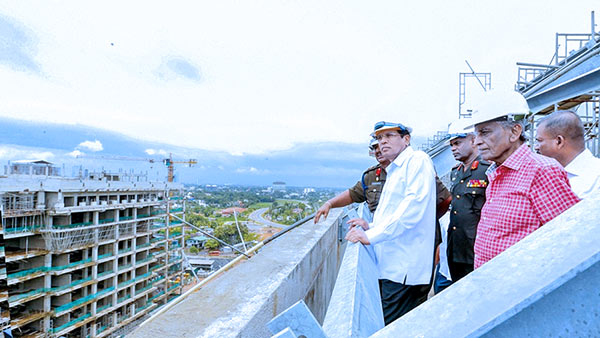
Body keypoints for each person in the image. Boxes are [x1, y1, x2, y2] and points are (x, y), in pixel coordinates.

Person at [468, 90, 580, 269]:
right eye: (477, 134)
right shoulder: (496, 173)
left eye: (485, 132)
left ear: (514, 131)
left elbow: (568, 240)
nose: (477, 142)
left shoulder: (542, 171)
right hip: (491, 284)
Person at [344, 121, 437, 325]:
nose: (383, 142)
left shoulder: (417, 160)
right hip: (391, 267)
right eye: (379, 138)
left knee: (392, 328)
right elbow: (393, 211)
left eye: (389, 136)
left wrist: (370, 236)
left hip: (403, 271)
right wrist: (371, 226)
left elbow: (412, 209)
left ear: (406, 139)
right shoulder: (395, 168)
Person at [446, 119, 489, 282]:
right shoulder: (455, 173)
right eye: (451, 145)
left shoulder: (487, 170)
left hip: (476, 248)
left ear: (473, 141)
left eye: (457, 143)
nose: (453, 148)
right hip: (456, 246)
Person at [314, 139, 389, 223]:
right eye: (375, 148)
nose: (378, 150)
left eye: (381, 146)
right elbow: (353, 194)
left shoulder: (404, 172)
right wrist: (329, 204)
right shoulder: (372, 175)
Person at [534, 110, 600, 199]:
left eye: (540, 141)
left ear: (559, 141)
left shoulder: (596, 179)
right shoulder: (550, 174)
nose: (536, 147)